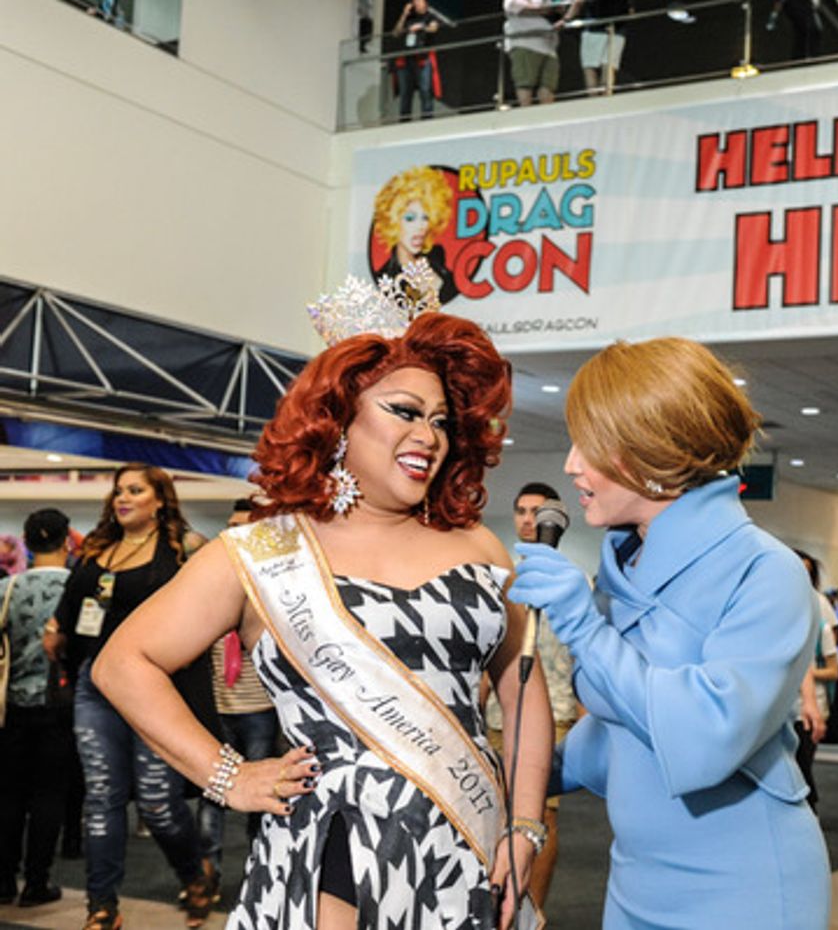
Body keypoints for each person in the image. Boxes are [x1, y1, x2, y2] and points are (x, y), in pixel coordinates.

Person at [91, 297, 552, 929]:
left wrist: (524, 826)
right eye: (405, 413)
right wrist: (228, 777)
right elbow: (123, 663)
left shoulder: (477, 544)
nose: (429, 436)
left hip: (466, 843)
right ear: (337, 420)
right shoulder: (265, 551)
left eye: (442, 421)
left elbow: (522, 689)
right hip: (334, 841)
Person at [507, 336, 831, 928]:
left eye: (591, 444)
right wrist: (522, 766)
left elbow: (707, 735)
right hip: (636, 879)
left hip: (743, 885)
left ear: (653, 451)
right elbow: (620, 736)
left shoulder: (766, 571)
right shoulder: (625, 566)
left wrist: (583, 624)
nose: (571, 464)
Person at [41, 464, 215, 930]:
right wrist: (56, 628)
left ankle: (194, 872)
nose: (123, 498)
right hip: (96, 689)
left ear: (160, 499)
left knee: (158, 802)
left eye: (135, 491)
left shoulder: (185, 548)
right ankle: (102, 908)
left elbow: (211, 609)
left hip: (158, 691)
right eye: (118, 491)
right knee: (102, 798)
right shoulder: (98, 550)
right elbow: (71, 608)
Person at [482, 481, 580, 907]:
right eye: (521, 510)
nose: (527, 520)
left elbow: (581, 654)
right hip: (497, 715)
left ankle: (532, 909)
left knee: (540, 817)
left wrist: (584, 713)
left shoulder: (571, 582)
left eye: (536, 512)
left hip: (554, 712)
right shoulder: (499, 573)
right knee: (495, 814)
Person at [194, 499, 280, 893]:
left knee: (260, 797)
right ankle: (206, 874)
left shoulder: (278, 589)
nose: (233, 534)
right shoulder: (213, 589)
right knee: (212, 792)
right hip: (219, 707)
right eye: (229, 526)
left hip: (260, 710)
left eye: (243, 527)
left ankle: (258, 875)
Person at [0, 508, 73, 907]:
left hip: (9, 707)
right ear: (67, 542)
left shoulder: (6, 589)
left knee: (9, 794)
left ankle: (3, 879)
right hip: (60, 705)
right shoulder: (78, 589)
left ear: (25, 543)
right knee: (49, 795)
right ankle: (37, 882)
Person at [371, 165, 459, 304]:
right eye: (410, 218)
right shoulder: (385, 280)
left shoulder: (438, 260)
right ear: (393, 220)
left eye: (426, 217)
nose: (421, 227)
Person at [793, 549, 838, 811]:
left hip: (807, 705)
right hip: (780, 705)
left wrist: (811, 701)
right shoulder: (774, 601)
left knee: (802, 768)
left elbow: (817, 663)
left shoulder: (818, 605)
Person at [504, 0, 575, 107]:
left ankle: (546, 115)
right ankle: (526, 114)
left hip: (549, 47)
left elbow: (561, 7)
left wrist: (559, 10)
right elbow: (521, 9)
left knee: (548, 85)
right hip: (525, 45)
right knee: (525, 83)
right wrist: (547, 10)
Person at [391, 0, 448, 120]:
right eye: (414, 1)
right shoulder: (409, 18)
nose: (416, 3)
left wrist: (422, 27)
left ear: (425, 3)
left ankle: (426, 120)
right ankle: (404, 121)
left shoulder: (430, 16)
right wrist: (404, 14)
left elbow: (434, 28)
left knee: (425, 90)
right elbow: (396, 32)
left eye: (419, 1)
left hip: (423, 59)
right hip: (406, 59)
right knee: (405, 93)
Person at [579, 0, 633, 95]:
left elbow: (578, 2)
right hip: (616, 29)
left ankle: (595, 104)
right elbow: (630, 11)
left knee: (591, 70)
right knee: (607, 71)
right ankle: (605, 102)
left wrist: (566, 18)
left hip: (595, 28)